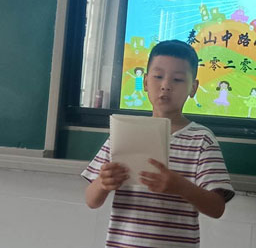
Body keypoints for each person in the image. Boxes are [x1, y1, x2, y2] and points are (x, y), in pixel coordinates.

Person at [82, 40, 234, 248]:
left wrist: (181, 187)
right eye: (158, 76)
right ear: (145, 82)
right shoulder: (125, 132)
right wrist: (103, 183)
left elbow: (217, 208)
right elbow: (91, 200)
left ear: (193, 87)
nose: (166, 85)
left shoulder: (202, 139)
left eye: (178, 79)